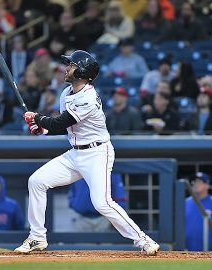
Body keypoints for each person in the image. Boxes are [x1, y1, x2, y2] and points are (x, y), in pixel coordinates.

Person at [14, 50, 160, 255]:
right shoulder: (66, 93)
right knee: (36, 181)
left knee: (102, 203)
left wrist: (38, 119)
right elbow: (63, 127)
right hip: (75, 153)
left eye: (72, 65)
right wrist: (43, 129)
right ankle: (37, 237)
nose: (67, 68)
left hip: (97, 153)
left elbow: (60, 122)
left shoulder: (88, 97)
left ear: (82, 72)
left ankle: (143, 240)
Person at [186, 172, 212, 251]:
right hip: (186, 252)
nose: (196, 184)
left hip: (209, 253)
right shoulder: (185, 203)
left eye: (200, 182)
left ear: (207, 185)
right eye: (194, 182)